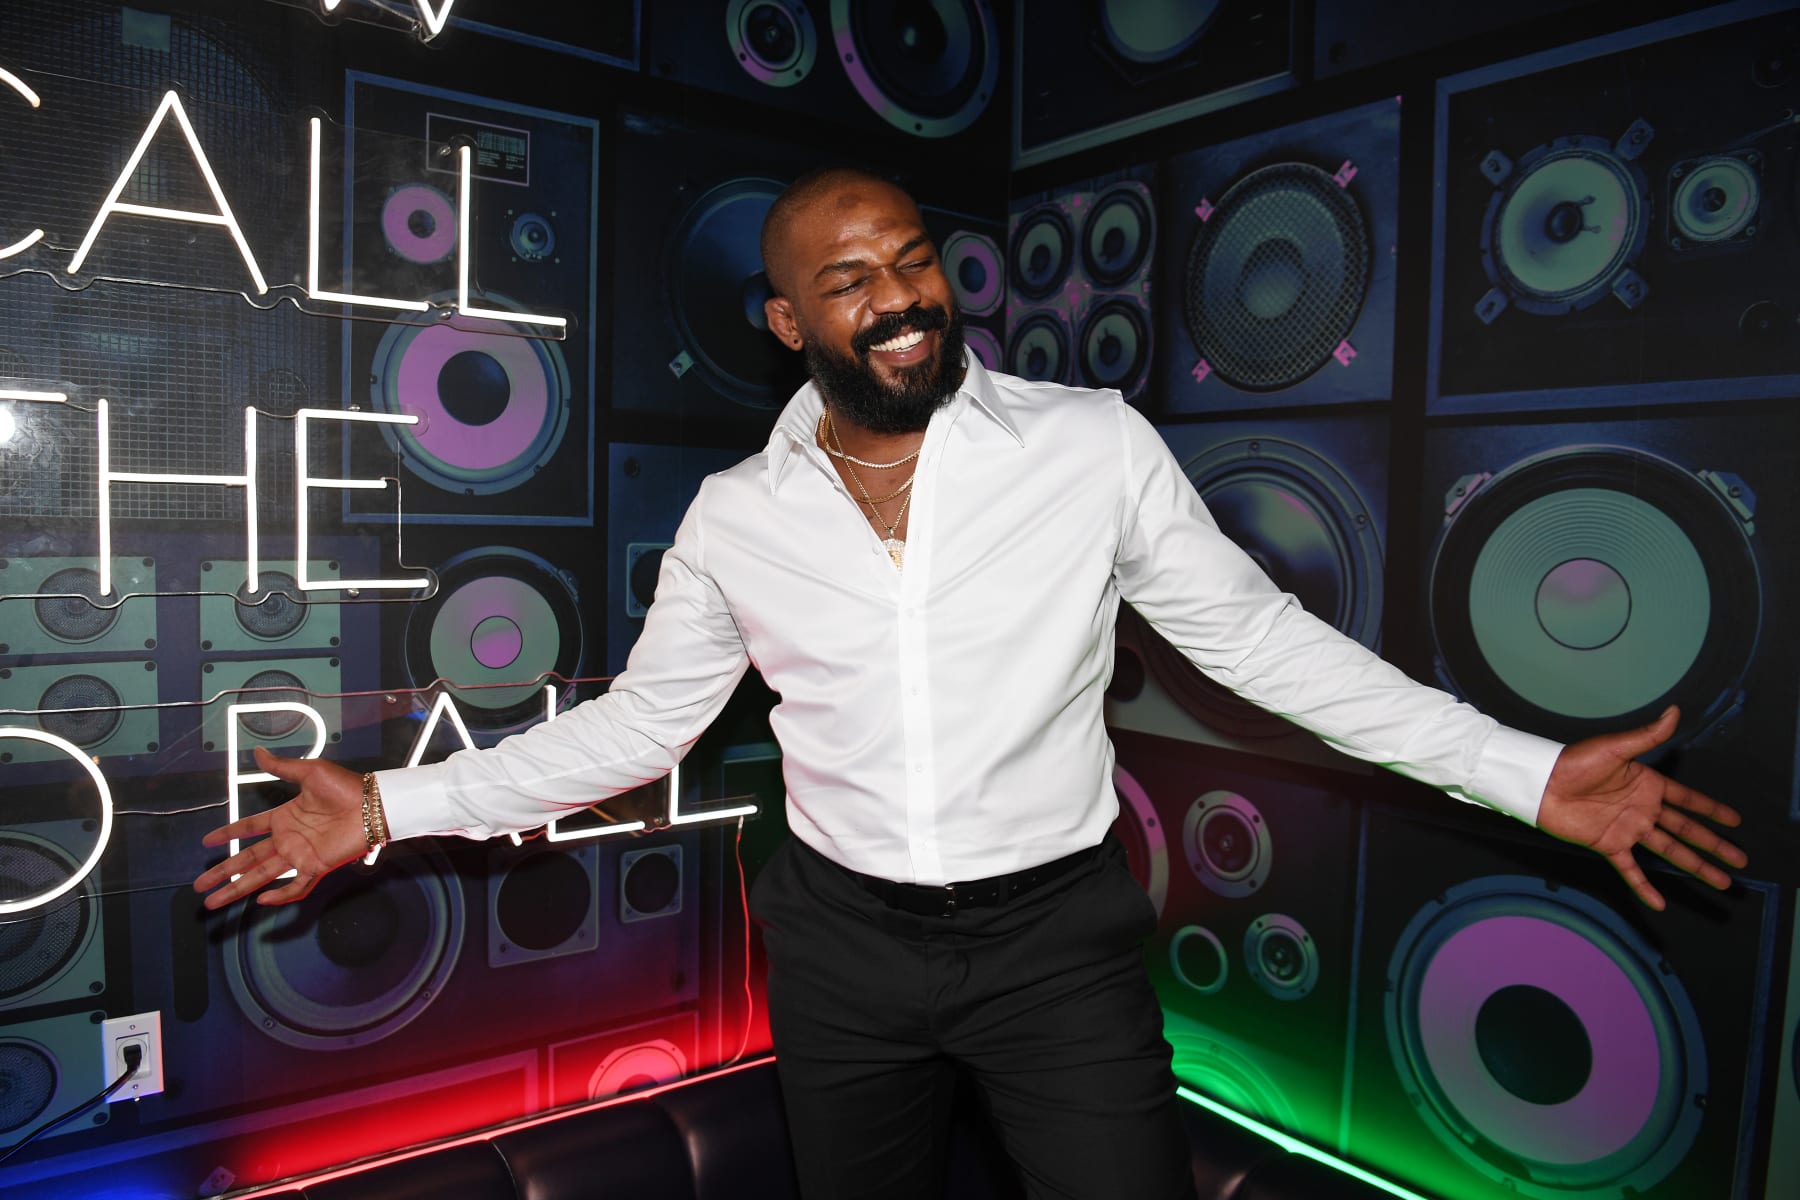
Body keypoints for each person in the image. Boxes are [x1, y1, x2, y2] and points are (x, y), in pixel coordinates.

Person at [195, 167, 1747, 1200]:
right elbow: (646, 725)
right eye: (852, 279)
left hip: (1055, 943)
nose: (902, 297)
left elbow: (1266, 649)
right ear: (789, 322)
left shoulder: (1092, 446)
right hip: (840, 947)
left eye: (919, 260)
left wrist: (1527, 772)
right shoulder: (740, 516)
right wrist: (390, 808)